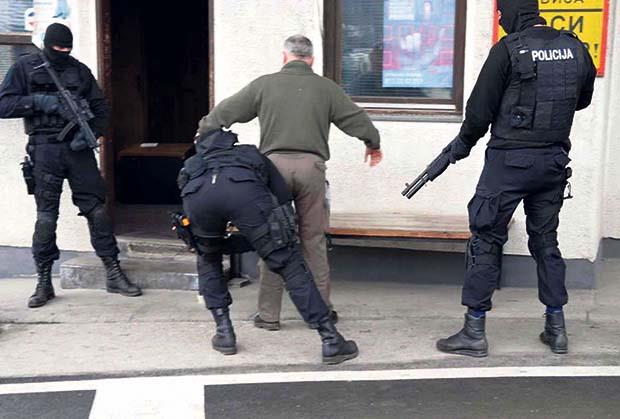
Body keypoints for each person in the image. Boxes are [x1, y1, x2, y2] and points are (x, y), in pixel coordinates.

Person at [434, 0, 596, 357]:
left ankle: (474, 331)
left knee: (486, 240)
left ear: (513, 11)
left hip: (508, 163)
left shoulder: (507, 49)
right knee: (546, 242)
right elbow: (581, 100)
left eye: (501, 11)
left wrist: (460, 148)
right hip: (552, 162)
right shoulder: (575, 48)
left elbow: (479, 112)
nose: (499, 18)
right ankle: (557, 330)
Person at [197, 35, 382, 331]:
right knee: (314, 240)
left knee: (273, 239)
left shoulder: (264, 85)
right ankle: (322, 313)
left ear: (284, 57)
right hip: (312, 170)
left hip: (273, 172)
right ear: (312, 60)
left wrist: (205, 133)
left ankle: (269, 315)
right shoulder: (326, 88)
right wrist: (373, 144)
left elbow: (222, 114)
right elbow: (358, 120)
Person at [179, 128, 359, 365]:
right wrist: (274, 237)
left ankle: (224, 333)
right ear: (229, 142)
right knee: (289, 264)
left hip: (199, 198)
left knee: (208, 259)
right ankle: (330, 340)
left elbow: (185, 197)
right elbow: (282, 195)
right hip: (245, 195)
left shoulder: (192, 164)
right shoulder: (249, 154)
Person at [0, 23, 142, 308]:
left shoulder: (79, 71)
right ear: (47, 45)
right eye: (58, 48)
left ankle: (113, 272)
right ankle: (43, 281)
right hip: (44, 150)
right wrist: (40, 102)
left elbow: (102, 109)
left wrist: (91, 133)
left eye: (68, 48)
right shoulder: (25, 67)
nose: (63, 52)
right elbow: (4, 105)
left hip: (77, 150)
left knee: (97, 210)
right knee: (46, 217)